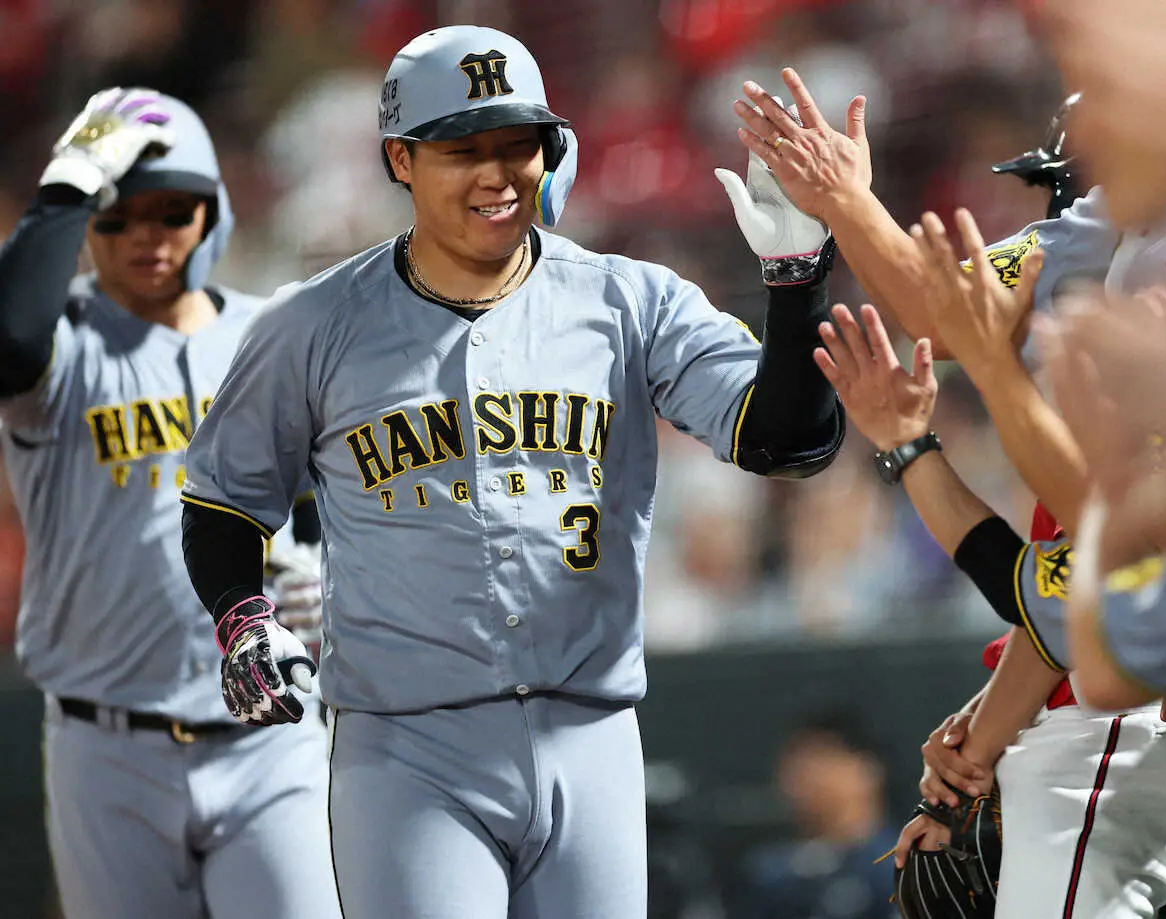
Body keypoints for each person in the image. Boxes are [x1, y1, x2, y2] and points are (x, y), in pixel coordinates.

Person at [179, 25, 845, 919]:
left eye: (517, 144)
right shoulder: (313, 324)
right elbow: (223, 498)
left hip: (593, 734)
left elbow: (787, 441)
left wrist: (796, 281)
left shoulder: (629, 300)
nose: (499, 174)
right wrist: (242, 614)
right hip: (405, 751)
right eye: (464, 149)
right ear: (400, 159)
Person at [0, 88, 340, 919]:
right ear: (89, 223)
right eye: (119, 215)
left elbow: (329, 493)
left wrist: (332, 574)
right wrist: (65, 189)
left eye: (172, 210)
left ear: (211, 211)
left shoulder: (268, 331)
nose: (149, 235)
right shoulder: (65, 342)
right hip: (107, 746)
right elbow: (7, 343)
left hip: (272, 730)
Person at [812, 297, 1166, 917]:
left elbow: (1061, 611)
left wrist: (966, 771)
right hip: (1145, 711)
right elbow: (1049, 605)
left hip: (1137, 721)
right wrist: (977, 728)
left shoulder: (1152, 407)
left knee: (1058, 773)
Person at [737, 710, 898, 919]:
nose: (805, 774)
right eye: (795, 760)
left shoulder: (902, 867)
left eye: (822, 757)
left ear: (868, 769)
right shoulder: (768, 874)